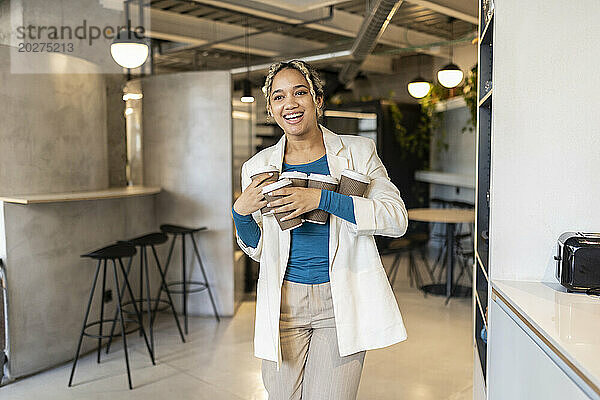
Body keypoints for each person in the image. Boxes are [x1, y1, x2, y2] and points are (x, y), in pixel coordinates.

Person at [232, 60, 409, 400]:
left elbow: (395, 218)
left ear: (317, 100)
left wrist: (320, 198)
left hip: (338, 297)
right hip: (284, 301)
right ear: (270, 108)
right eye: (279, 96)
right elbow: (258, 248)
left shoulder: (358, 152)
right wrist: (240, 214)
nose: (291, 103)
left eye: (300, 93)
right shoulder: (257, 167)